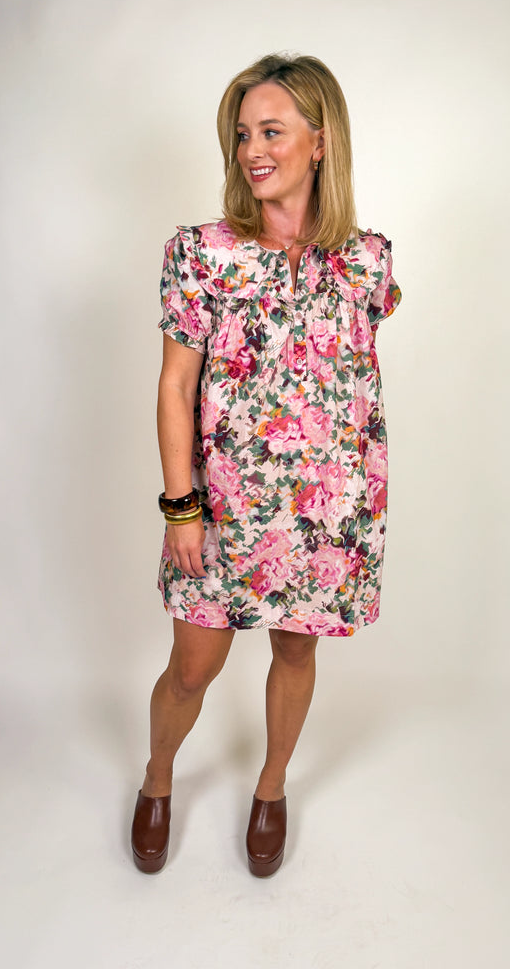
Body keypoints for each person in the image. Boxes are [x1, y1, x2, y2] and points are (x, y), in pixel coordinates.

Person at [131, 53, 401, 877]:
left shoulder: (368, 262)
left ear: (321, 143)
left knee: (295, 651)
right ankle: (157, 777)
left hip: (327, 513)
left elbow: (345, 388)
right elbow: (178, 387)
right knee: (192, 666)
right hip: (219, 511)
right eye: (243, 133)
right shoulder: (203, 254)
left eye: (272, 131)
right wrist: (182, 507)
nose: (252, 148)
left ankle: (272, 787)